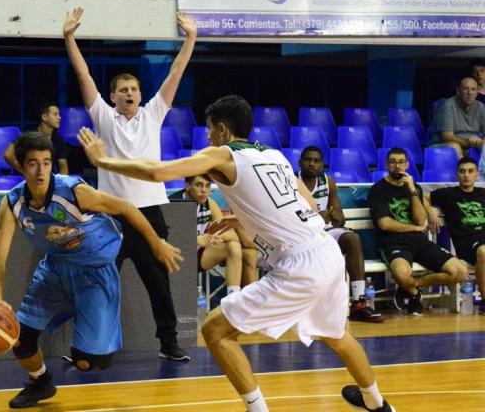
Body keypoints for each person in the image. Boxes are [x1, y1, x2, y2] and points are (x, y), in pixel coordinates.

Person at [77, 95, 396, 412]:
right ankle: (377, 403)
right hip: (325, 250)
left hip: (301, 264)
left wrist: (103, 161)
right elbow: (309, 206)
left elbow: (159, 172)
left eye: (209, 130)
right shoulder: (274, 154)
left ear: (222, 130)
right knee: (337, 335)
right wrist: (244, 216)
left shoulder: (223, 154)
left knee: (215, 331)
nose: (207, 137)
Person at [0, 132, 183, 408]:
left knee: (90, 362)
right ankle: (41, 382)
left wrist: (157, 243)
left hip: (95, 271)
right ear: (21, 165)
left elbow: (125, 207)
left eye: (46, 162)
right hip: (56, 268)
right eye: (33, 163)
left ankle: (85, 315)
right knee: (21, 339)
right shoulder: (13, 203)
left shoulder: (74, 191)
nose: (41, 170)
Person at [63, 7, 197, 361]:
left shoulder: (153, 114)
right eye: (123, 89)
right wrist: (70, 38)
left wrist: (191, 38)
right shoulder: (103, 118)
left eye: (134, 88)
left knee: (159, 286)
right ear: (113, 97)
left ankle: (169, 345)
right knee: (98, 284)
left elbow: (176, 72)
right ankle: (87, 349)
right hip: (111, 218)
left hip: (150, 212)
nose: (130, 93)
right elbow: (83, 74)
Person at [368, 147, 468, 316]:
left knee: (460, 271)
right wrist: (414, 228)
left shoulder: (415, 188)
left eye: (401, 162)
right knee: (401, 273)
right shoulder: (378, 189)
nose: (397, 166)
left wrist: (413, 191)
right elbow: (384, 224)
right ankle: (414, 295)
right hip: (392, 242)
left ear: (407, 165)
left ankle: (409, 286)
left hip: (419, 242)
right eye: (393, 162)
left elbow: (420, 220)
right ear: (386, 165)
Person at [297, 146, 384, 323]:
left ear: (322, 164)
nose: (312, 164)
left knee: (351, 238)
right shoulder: (291, 181)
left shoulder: (328, 181)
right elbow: (288, 217)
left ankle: (359, 302)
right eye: (308, 160)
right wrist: (316, 218)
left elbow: (340, 220)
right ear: (300, 162)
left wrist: (337, 216)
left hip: (323, 233)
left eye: (316, 161)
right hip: (299, 234)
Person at [169, 174, 258, 294]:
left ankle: (233, 297)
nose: (204, 190)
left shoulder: (209, 203)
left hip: (198, 255)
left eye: (207, 186)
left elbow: (231, 234)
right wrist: (195, 239)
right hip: (175, 257)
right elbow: (165, 239)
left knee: (233, 246)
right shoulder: (174, 203)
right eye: (199, 185)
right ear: (187, 186)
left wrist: (213, 236)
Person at [426, 157, 485, 316]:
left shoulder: (482, 194)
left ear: (476, 174)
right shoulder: (448, 194)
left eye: (470, 171)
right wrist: (431, 211)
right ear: (457, 174)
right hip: (467, 244)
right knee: (483, 252)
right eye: (462, 171)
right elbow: (421, 196)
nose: (466, 175)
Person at [4, 103, 69, 175]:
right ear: (44, 117)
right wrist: (23, 171)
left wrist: (62, 183)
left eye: (59, 114)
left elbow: (63, 166)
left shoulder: (59, 139)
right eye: (55, 114)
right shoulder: (28, 136)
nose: (59, 118)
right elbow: (8, 154)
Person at [430, 76, 485, 159]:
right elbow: (446, 136)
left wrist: (479, 140)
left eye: (473, 89)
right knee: (455, 147)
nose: (469, 93)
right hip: (445, 145)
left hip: (472, 144)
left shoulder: (481, 107)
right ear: (458, 91)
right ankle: (462, 170)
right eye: (465, 89)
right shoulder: (447, 105)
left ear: (477, 93)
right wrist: (469, 143)